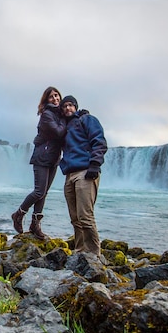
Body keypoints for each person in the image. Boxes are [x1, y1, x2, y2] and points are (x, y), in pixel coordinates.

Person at [11, 86, 67, 239]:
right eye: (51, 97)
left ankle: (35, 225)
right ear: (46, 100)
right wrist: (65, 120)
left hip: (54, 159)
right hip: (42, 157)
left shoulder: (59, 115)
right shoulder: (47, 115)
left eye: (57, 95)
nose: (55, 99)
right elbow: (58, 132)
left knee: (44, 193)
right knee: (39, 192)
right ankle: (18, 214)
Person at [59, 95, 108, 255]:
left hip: (85, 172)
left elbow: (99, 140)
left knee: (85, 216)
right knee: (75, 218)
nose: (67, 108)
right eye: (64, 106)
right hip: (69, 174)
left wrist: (95, 164)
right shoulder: (64, 128)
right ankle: (80, 252)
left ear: (76, 106)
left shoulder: (86, 119)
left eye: (70, 105)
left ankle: (94, 255)